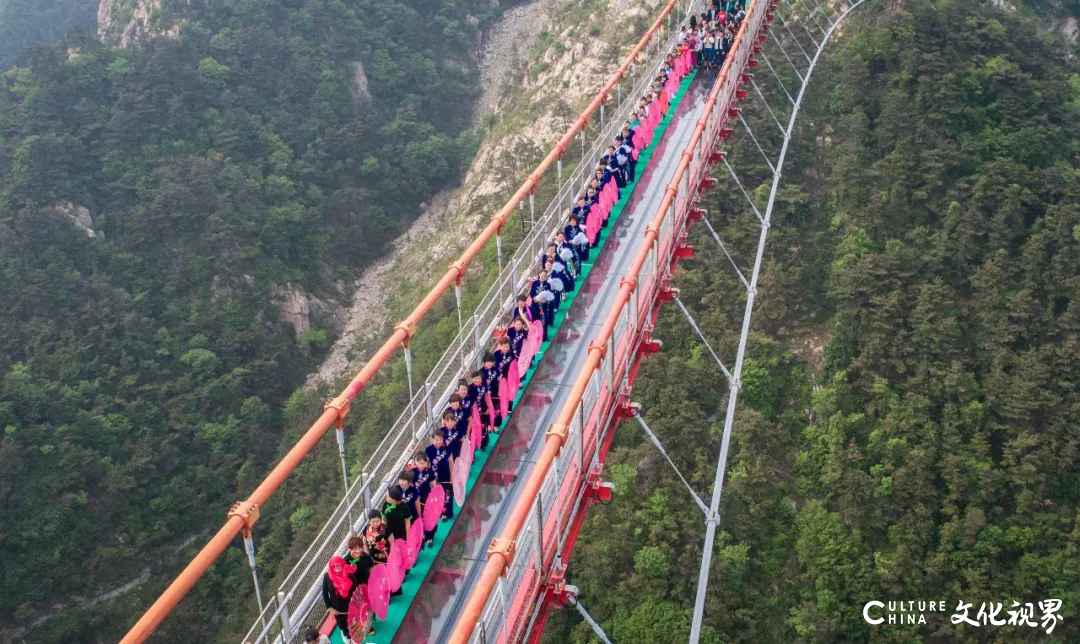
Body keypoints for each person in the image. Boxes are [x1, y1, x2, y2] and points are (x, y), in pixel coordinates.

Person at [321, 556, 356, 644]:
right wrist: (329, 608)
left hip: (350, 606)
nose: (337, 567)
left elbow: (356, 589)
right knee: (343, 626)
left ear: (343, 564)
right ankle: (345, 635)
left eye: (339, 565)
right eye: (334, 566)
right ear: (331, 567)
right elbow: (325, 593)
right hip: (337, 608)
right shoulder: (327, 576)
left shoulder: (349, 574)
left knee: (353, 625)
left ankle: (355, 638)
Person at [424, 429, 454, 519]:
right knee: (438, 495)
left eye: (440, 440)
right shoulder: (428, 450)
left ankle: (447, 512)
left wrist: (452, 476)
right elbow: (427, 464)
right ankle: (441, 512)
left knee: (447, 494)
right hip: (435, 477)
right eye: (436, 440)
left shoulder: (447, 448)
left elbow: (451, 463)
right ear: (433, 439)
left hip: (446, 475)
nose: (438, 442)